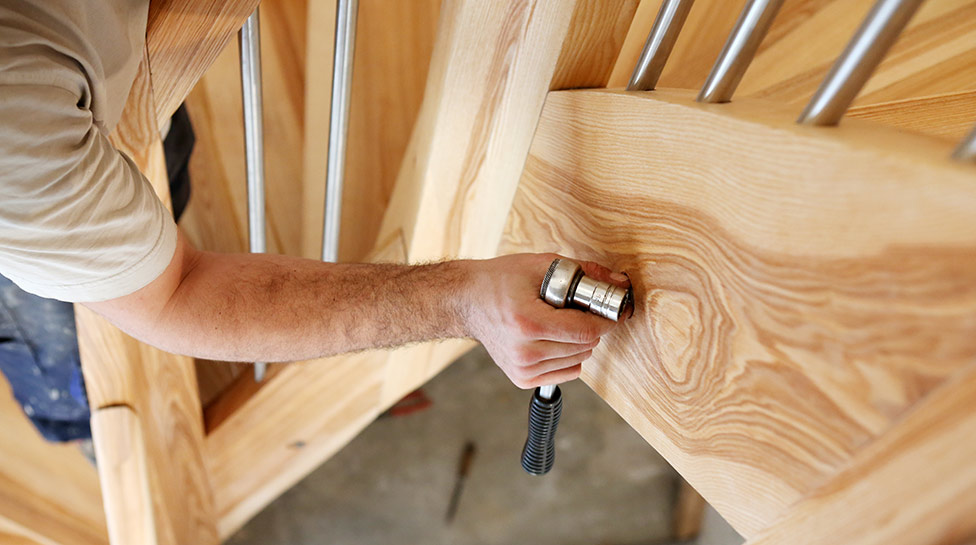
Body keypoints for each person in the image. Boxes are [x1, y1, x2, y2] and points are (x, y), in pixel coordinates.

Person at [0, 0, 631, 430]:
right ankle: (81, 430)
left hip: (73, 112)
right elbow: (179, 295)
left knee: (164, 148)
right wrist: (461, 302)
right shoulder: (19, 146)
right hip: (36, 186)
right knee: (65, 364)